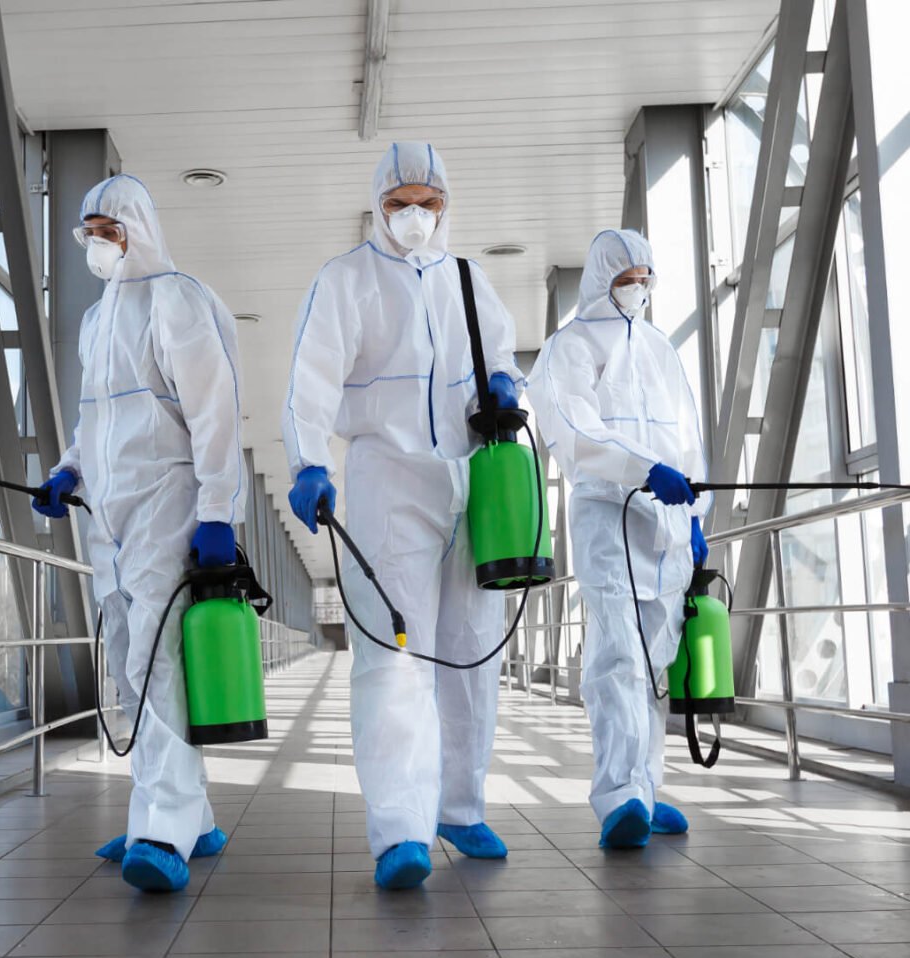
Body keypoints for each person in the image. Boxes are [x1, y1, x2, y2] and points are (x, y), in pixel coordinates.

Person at [282, 142, 523, 889]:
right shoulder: (346, 280)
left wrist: (509, 386)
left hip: (470, 477)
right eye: (399, 203)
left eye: (427, 202)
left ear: (446, 204)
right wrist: (306, 461)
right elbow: (310, 379)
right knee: (392, 654)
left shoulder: (468, 279)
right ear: (378, 205)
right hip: (388, 477)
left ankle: (461, 804)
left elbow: (503, 355)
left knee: (471, 646)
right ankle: (399, 830)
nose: (414, 216)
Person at [33, 174, 246, 892]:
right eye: (89, 231)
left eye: (109, 229)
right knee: (129, 657)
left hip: (167, 497)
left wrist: (218, 509)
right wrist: (69, 471)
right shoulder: (97, 319)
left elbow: (215, 412)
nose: (97, 243)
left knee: (160, 659)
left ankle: (166, 827)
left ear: (139, 230)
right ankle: (185, 809)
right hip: (112, 512)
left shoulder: (175, 298)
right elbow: (97, 418)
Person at [526, 229, 709, 849]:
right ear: (603, 277)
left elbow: (688, 437)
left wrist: (698, 515)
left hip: (669, 527)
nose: (638, 288)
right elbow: (576, 432)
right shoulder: (569, 346)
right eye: (627, 277)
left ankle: (646, 788)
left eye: (645, 278)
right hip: (611, 518)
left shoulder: (661, 348)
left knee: (656, 663)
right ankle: (619, 796)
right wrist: (641, 469)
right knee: (618, 659)